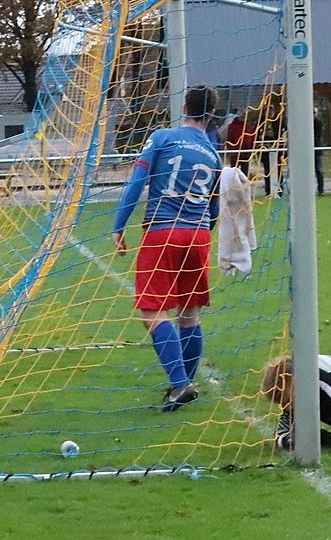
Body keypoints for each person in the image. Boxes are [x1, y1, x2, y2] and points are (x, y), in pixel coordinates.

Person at [112, 84, 222, 412]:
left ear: (184, 107)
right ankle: (183, 387)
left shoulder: (162, 138)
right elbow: (214, 210)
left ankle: (179, 383)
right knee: (189, 314)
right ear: (212, 113)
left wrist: (118, 226)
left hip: (163, 233)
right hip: (199, 236)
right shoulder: (214, 154)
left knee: (152, 312)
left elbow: (135, 183)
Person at [259, 104, 284, 197]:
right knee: (267, 171)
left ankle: (280, 189)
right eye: (267, 111)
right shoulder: (261, 123)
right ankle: (268, 191)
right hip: (266, 150)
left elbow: (281, 135)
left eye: (271, 111)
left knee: (278, 170)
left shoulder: (278, 122)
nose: (269, 113)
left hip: (277, 150)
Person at [225, 108, 257, 176]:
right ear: (238, 115)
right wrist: (231, 150)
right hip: (235, 153)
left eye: (245, 114)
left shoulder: (249, 126)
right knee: (234, 173)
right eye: (242, 114)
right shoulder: (232, 126)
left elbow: (252, 138)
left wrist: (251, 150)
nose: (243, 116)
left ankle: (243, 186)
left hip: (246, 153)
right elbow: (229, 139)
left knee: (245, 173)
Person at [314, 107, 325, 196]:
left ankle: (321, 189)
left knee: (318, 170)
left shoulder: (318, 123)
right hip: (308, 151)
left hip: (316, 150)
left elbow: (317, 136)